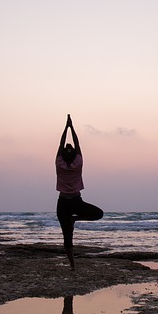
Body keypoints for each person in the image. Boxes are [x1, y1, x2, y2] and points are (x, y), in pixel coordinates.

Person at [56, 114, 103, 270]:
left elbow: (61, 143)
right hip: (75, 202)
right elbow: (77, 143)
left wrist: (66, 128)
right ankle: (75, 219)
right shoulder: (78, 162)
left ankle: (73, 266)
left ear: (62, 153)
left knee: (67, 237)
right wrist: (71, 127)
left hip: (64, 203)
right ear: (74, 153)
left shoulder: (59, 162)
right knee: (98, 214)